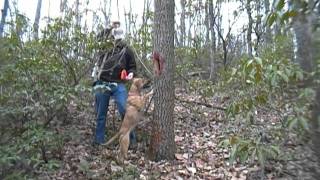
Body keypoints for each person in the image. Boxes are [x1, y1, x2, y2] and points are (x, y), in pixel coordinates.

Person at [92, 21, 137, 146]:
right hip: (102, 82)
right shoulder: (104, 46)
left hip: (118, 84)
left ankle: (131, 140)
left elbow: (132, 67)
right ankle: (98, 141)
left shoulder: (127, 50)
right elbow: (97, 37)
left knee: (124, 109)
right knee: (101, 113)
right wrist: (110, 26)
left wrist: (131, 74)